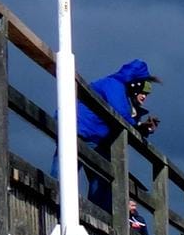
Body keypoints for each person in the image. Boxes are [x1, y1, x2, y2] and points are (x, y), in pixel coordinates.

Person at [57, 59, 162, 211]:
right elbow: (121, 114)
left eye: (147, 93)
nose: (145, 96)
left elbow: (123, 120)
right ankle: (53, 204)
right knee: (65, 171)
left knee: (102, 178)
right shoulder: (114, 86)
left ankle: (97, 216)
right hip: (81, 130)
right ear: (134, 84)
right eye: (143, 91)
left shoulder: (123, 94)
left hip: (93, 136)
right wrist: (138, 126)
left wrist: (141, 128)